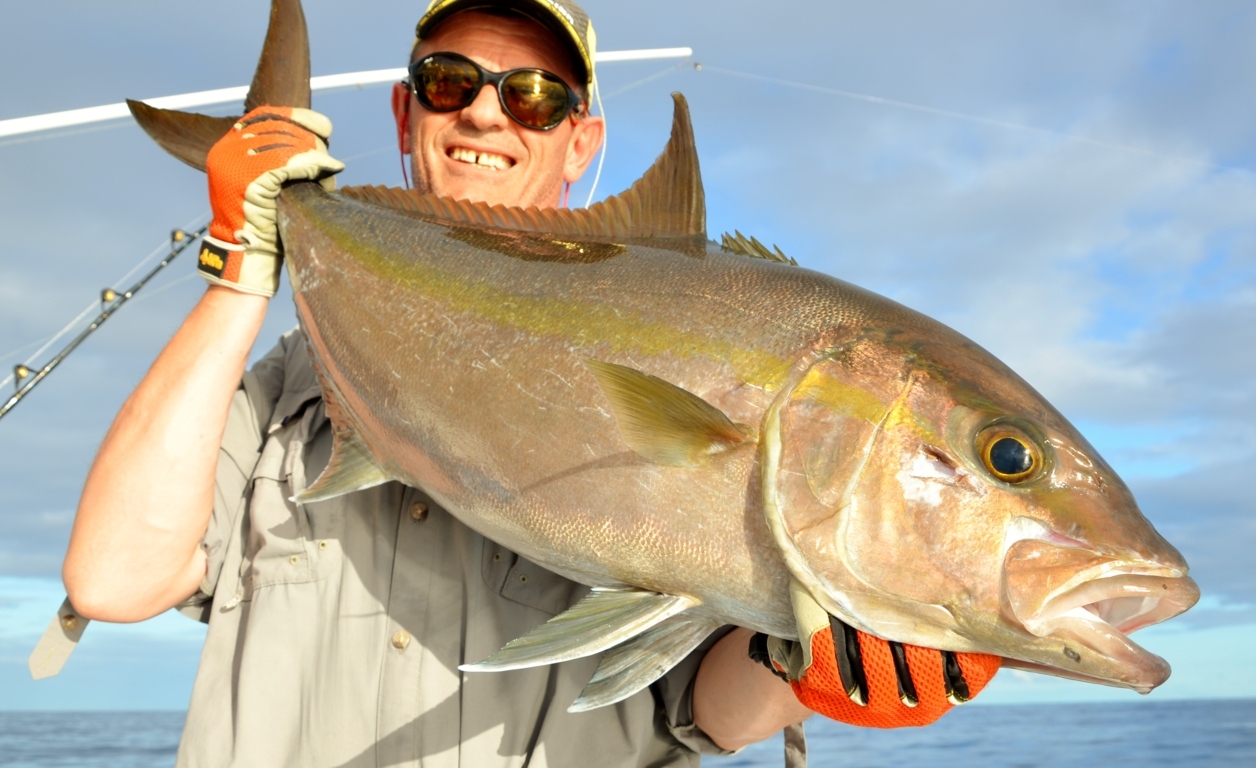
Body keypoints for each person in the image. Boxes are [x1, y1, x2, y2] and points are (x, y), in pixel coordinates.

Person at [60, 1, 815, 764]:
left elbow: (713, 713)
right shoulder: (291, 384)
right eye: (449, 81)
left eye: (533, 94)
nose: (487, 113)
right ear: (405, 110)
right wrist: (239, 270)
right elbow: (113, 579)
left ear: (580, 140)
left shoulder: (713, 362)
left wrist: (826, 664)